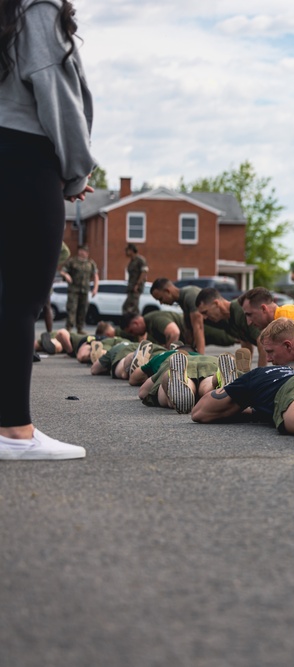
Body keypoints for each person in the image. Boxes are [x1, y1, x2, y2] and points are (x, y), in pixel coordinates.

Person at [0, 0, 93, 460]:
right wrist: (75, 171)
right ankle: (14, 432)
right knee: (20, 298)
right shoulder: (34, 6)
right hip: (21, 153)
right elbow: (55, 88)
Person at [150, 277, 239, 353]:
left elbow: (199, 328)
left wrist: (200, 359)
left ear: (167, 291)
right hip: (226, 329)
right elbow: (190, 332)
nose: (161, 303)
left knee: (244, 339)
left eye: (160, 298)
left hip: (231, 327)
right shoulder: (183, 300)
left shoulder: (190, 295)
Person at [194, 287, 266, 366]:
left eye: (205, 312)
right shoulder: (228, 320)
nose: (204, 317)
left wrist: (261, 374)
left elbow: (262, 342)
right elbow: (246, 345)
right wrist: (242, 374)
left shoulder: (239, 310)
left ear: (216, 304)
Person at [59, 243, 98, 334]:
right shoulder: (72, 261)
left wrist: (95, 288)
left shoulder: (90, 263)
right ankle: (69, 327)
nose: (82, 252)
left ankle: (80, 328)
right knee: (72, 308)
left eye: (84, 251)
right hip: (74, 290)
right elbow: (62, 271)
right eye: (80, 250)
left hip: (84, 290)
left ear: (87, 253)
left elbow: (95, 276)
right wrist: (66, 275)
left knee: (83, 309)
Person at [121, 309, 185, 346]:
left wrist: (168, 354)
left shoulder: (154, 319)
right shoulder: (149, 327)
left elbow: (174, 333)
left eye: (131, 331)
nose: (133, 334)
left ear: (136, 323)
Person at [122, 243, 148, 317]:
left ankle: (136, 324)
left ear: (131, 250)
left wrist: (137, 285)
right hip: (131, 288)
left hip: (136, 288)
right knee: (130, 308)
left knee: (131, 308)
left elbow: (144, 273)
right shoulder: (132, 261)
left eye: (127, 250)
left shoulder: (140, 260)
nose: (126, 253)